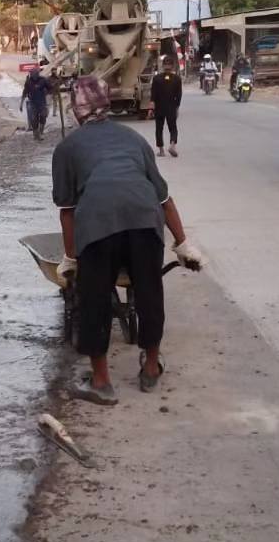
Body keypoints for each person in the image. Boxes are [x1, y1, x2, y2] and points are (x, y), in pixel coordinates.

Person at [52, 75, 203, 406]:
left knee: (93, 299)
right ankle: (150, 368)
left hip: (98, 225)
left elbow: (67, 211)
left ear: (76, 110)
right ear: (106, 103)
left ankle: (102, 382)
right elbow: (164, 199)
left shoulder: (67, 149)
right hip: (145, 220)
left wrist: (70, 258)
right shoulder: (134, 139)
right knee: (149, 291)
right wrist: (182, 243)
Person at [149, 55, 183, 158]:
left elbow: (153, 95)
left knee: (159, 128)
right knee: (173, 128)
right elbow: (179, 95)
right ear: (173, 66)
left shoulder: (156, 79)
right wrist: (177, 108)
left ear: (163, 66)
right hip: (171, 107)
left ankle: (161, 151)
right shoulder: (177, 79)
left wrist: (151, 109)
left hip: (159, 108)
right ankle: (172, 145)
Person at [20, 60, 52, 139]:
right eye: (32, 74)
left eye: (35, 74)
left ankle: (40, 132)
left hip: (42, 102)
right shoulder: (28, 82)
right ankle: (36, 134)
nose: (33, 75)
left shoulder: (43, 80)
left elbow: (50, 88)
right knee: (34, 119)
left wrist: (47, 93)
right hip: (32, 103)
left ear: (37, 74)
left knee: (43, 116)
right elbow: (24, 92)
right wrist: (21, 103)